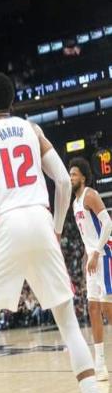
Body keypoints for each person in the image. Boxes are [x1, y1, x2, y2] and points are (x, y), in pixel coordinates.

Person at [0, 72, 101, 393]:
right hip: (41, 219)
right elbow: (63, 180)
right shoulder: (33, 130)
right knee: (69, 325)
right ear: (12, 101)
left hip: (8, 224)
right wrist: (56, 228)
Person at [70, 157, 112, 381]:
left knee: (107, 310)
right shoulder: (75, 203)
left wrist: (95, 252)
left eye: (74, 174)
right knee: (93, 308)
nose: (71, 178)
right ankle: (100, 364)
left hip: (105, 255)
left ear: (83, 177)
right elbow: (86, 234)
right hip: (92, 259)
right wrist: (87, 255)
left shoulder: (90, 195)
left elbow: (108, 224)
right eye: (70, 175)